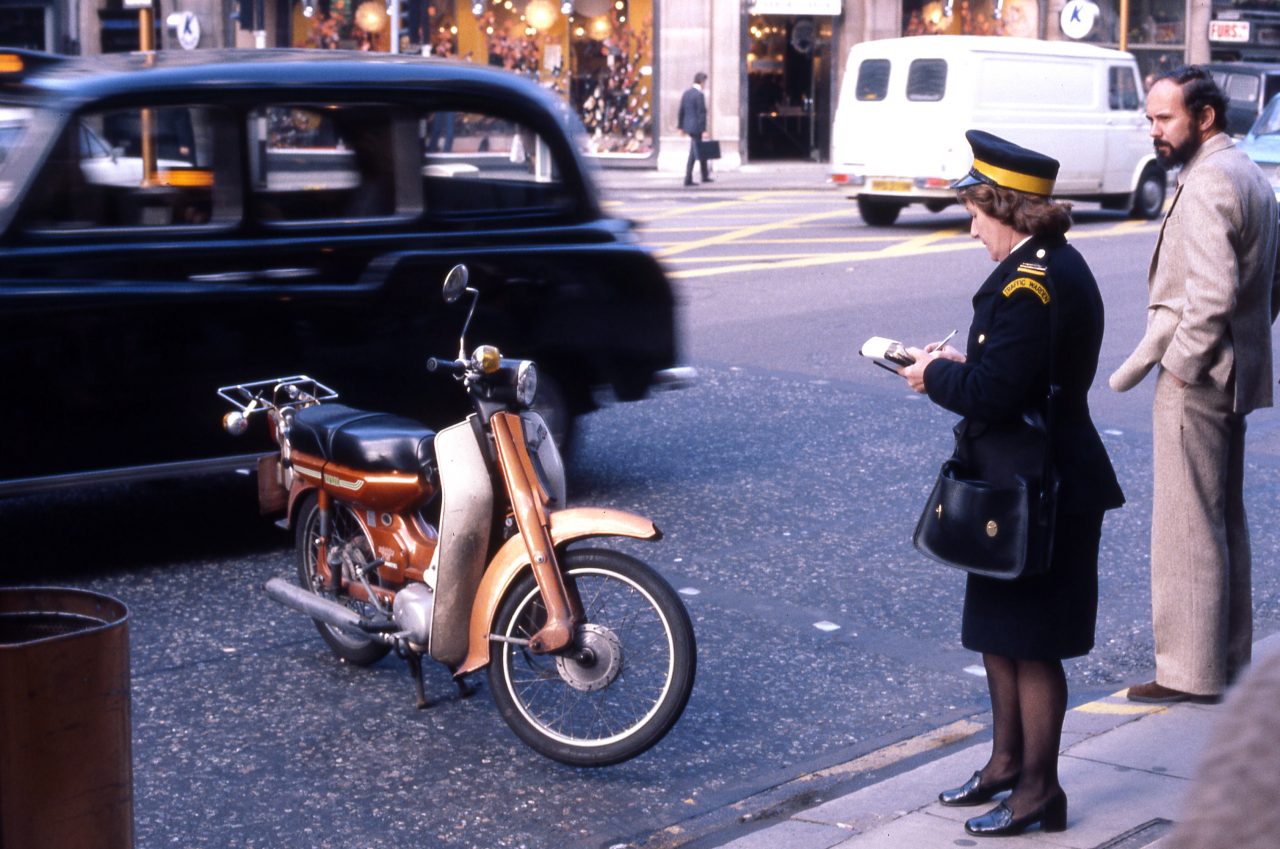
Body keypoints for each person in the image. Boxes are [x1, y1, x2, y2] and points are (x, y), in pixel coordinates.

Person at [899, 130, 1124, 837]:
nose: (970, 227)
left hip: (1040, 487)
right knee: (1000, 633)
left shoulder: (1030, 282)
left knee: (1032, 643)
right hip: (1017, 483)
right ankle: (1004, 763)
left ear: (1009, 210)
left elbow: (995, 393)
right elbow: (1020, 372)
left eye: (976, 211)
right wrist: (963, 358)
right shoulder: (1049, 263)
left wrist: (932, 373)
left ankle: (1038, 792)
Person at [1109, 66, 1280, 705]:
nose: (1152, 129)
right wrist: (1246, 341)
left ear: (1203, 117)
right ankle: (1226, 661)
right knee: (1221, 519)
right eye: (1150, 118)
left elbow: (1211, 293)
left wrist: (1183, 363)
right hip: (1234, 372)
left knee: (1186, 526)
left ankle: (1188, 673)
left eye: (1163, 118)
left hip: (1200, 376)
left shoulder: (1208, 181)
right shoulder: (1247, 172)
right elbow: (1272, 278)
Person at [678, 72, 711, 187]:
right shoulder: (699, 95)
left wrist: (681, 127)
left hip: (688, 126)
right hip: (697, 127)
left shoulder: (686, 93)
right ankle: (688, 178)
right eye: (705, 82)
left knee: (701, 150)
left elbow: (681, 110)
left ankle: (705, 175)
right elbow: (701, 113)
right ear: (702, 82)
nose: (705, 85)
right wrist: (704, 130)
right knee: (694, 153)